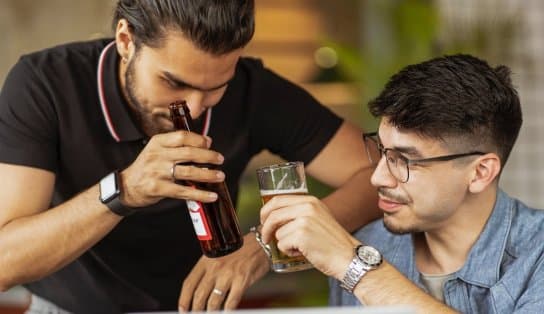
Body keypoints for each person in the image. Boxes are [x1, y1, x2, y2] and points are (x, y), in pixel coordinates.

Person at [0, 1, 380, 313]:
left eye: (217, 87)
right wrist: (124, 189)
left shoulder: (253, 90)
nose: (195, 108)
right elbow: (5, 262)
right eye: (174, 82)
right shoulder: (44, 85)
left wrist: (265, 245)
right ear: (126, 40)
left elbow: (377, 173)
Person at [260, 54, 544, 313]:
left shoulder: (536, 254)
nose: (377, 178)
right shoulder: (367, 243)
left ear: (481, 172)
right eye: (382, 151)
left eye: (405, 160)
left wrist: (356, 267)